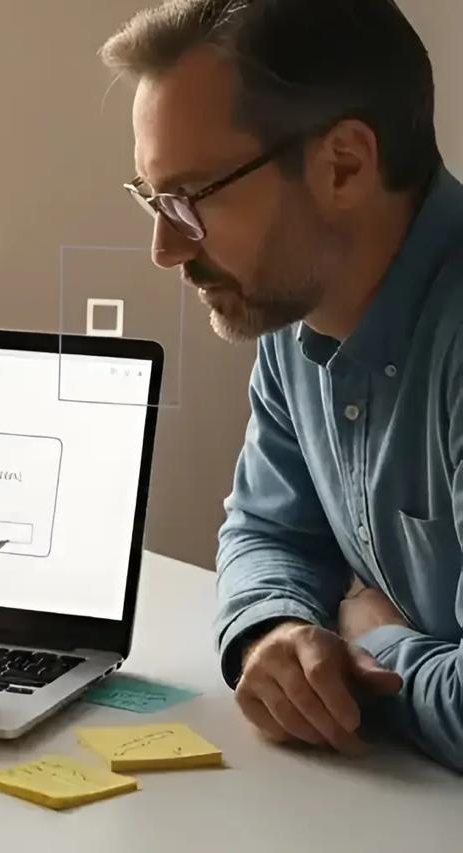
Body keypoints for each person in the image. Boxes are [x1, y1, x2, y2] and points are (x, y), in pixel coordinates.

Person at [99, 0, 463, 771]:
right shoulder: (298, 309)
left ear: (345, 166)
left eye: (191, 198)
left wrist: (374, 643)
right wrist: (277, 631)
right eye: (153, 198)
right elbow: (269, 532)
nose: (165, 248)